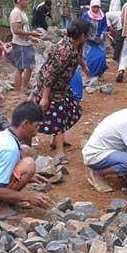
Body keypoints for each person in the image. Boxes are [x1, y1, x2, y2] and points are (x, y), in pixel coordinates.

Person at [32, 18, 90, 161]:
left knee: (69, 111)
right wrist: (45, 97)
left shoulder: (77, 44)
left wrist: (83, 66)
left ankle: (55, 141)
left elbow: (78, 56)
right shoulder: (64, 50)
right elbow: (50, 73)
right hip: (50, 85)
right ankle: (59, 151)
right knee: (56, 115)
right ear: (83, 35)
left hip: (62, 85)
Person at [9, 0, 41, 94]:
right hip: (20, 45)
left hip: (26, 43)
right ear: (20, 0)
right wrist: (32, 33)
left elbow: (24, 29)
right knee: (20, 68)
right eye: (26, 0)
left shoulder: (22, 12)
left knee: (30, 66)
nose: (28, 2)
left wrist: (31, 37)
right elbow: (16, 30)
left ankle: (25, 87)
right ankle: (18, 91)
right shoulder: (16, 13)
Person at [82, 0, 109, 86]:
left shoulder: (102, 16)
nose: (95, 9)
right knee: (90, 58)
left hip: (99, 41)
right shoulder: (86, 15)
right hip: (89, 40)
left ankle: (99, 73)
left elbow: (105, 26)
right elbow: (82, 25)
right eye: (94, 7)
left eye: (97, 7)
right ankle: (91, 74)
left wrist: (102, 33)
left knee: (101, 56)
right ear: (91, 6)